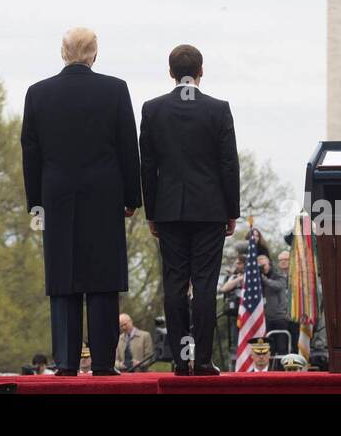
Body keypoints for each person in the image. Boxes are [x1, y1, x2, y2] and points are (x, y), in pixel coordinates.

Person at [21, 27, 141, 376]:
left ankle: (66, 362)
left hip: (57, 198)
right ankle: (104, 362)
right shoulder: (115, 90)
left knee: (63, 279)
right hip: (104, 196)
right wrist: (132, 197)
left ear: (63, 52)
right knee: (103, 280)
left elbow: (31, 152)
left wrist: (36, 203)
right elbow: (127, 148)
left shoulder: (37, 93)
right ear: (95, 54)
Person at [138, 44, 240, 376]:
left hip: (169, 210)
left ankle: (182, 360)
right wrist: (231, 210)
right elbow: (228, 165)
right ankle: (205, 359)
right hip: (210, 209)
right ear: (201, 71)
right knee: (206, 286)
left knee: (175, 285)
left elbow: (148, 167)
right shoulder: (218, 110)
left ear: (170, 72)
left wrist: (151, 211)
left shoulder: (152, 110)